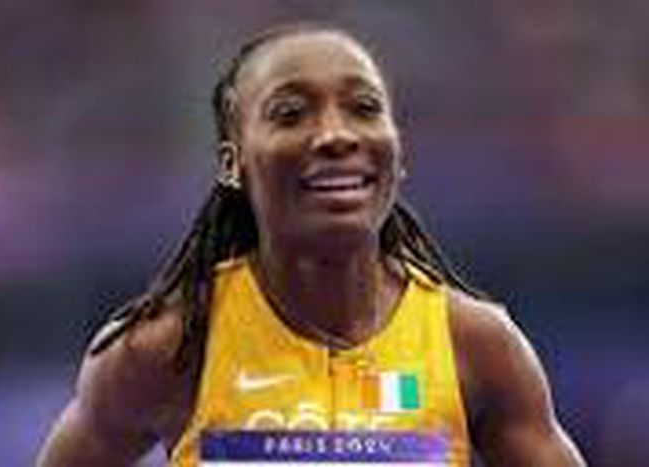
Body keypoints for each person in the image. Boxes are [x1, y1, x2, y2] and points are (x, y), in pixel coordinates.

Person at [37, 23, 586, 466]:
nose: (336, 135)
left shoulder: (475, 346)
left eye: (364, 108)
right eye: (290, 114)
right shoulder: (165, 348)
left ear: (397, 153)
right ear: (232, 163)